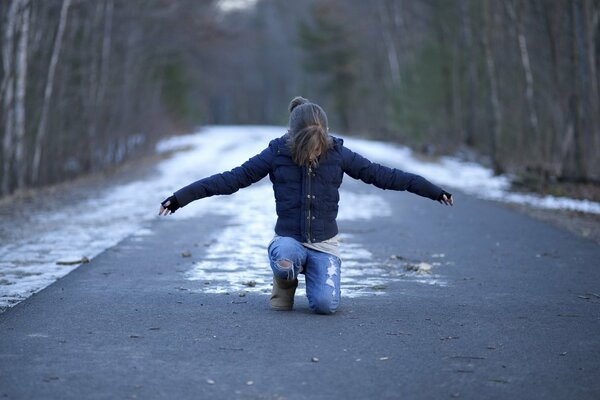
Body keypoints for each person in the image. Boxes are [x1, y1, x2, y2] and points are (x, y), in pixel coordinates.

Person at [159, 96, 453, 315]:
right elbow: (230, 179)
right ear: (293, 137)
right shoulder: (276, 153)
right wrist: (180, 198)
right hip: (289, 239)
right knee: (286, 256)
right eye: (309, 144)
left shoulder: (338, 153)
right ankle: (284, 281)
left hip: (325, 244)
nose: (315, 151)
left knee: (325, 306)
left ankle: (315, 274)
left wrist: (433, 191)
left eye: (320, 143)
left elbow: (385, 176)